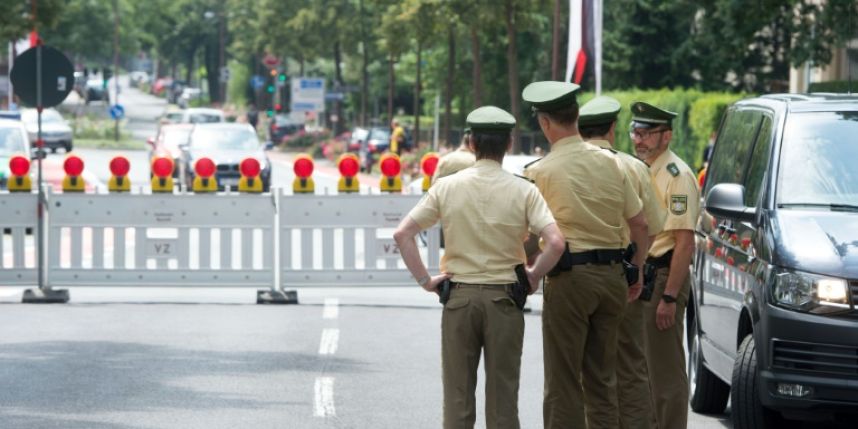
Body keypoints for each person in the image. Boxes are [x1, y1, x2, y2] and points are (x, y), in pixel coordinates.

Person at [394, 105, 565, 429]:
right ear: (509, 143)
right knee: (503, 402)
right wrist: (533, 276)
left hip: (459, 299)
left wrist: (426, 281)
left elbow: (403, 233)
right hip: (505, 300)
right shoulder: (524, 189)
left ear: (471, 143)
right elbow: (556, 242)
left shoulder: (448, 186)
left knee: (457, 401)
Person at [522, 81, 649, 429]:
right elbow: (639, 225)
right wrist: (635, 271)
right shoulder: (614, 164)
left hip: (570, 280)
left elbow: (531, 237)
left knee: (563, 382)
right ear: (577, 116)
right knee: (602, 380)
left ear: (545, 124)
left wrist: (521, 265)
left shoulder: (539, 172)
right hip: (612, 279)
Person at [578, 96, 666, 429]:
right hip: (622, 275)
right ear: (613, 128)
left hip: (574, 276)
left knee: (584, 365)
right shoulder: (633, 167)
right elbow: (651, 228)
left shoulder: (564, 164)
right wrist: (638, 268)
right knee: (631, 365)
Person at [629, 101, 700, 429]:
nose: (638, 139)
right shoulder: (641, 169)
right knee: (643, 367)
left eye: (646, 133)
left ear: (667, 136)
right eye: (635, 131)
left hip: (663, 277)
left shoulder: (678, 175)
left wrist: (670, 297)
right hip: (646, 276)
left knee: (665, 370)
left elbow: (684, 241)